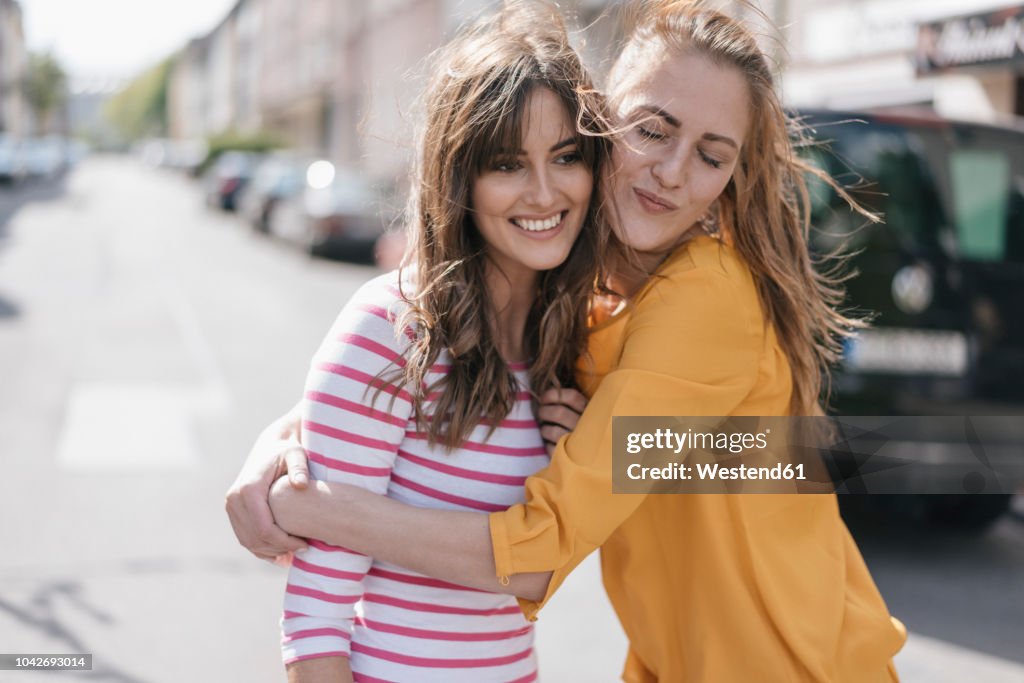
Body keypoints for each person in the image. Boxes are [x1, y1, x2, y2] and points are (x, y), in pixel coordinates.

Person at [227, 1, 908, 681]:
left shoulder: (707, 293)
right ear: (599, 120)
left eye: (710, 155)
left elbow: (535, 553)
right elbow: (393, 376)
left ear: (734, 174)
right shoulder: (587, 293)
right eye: (652, 129)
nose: (673, 171)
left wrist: (320, 507)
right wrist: (284, 439)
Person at [257, 3, 613, 681]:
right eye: (508, 164)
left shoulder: (568, 342)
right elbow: (315, 615)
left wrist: (588, 459)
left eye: (566, 156)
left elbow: (543, 564)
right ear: (461, 179)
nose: (545, 192)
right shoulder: (391, 328)